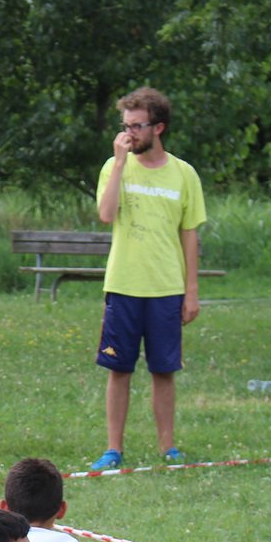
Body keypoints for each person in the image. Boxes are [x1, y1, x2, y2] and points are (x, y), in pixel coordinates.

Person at [89, 87, 206, 471]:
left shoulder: (184, 174)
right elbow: (106, 215)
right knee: (119, 369)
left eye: (137, 126)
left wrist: (191, 291)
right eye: (125, 126)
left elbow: (189, 233)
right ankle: (113, 449)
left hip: (166, 288)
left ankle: (167, 448)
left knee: (163, 370)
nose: (130, 134)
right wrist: (121, 163)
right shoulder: (114, 166)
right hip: (123, 285)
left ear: (159, 127)